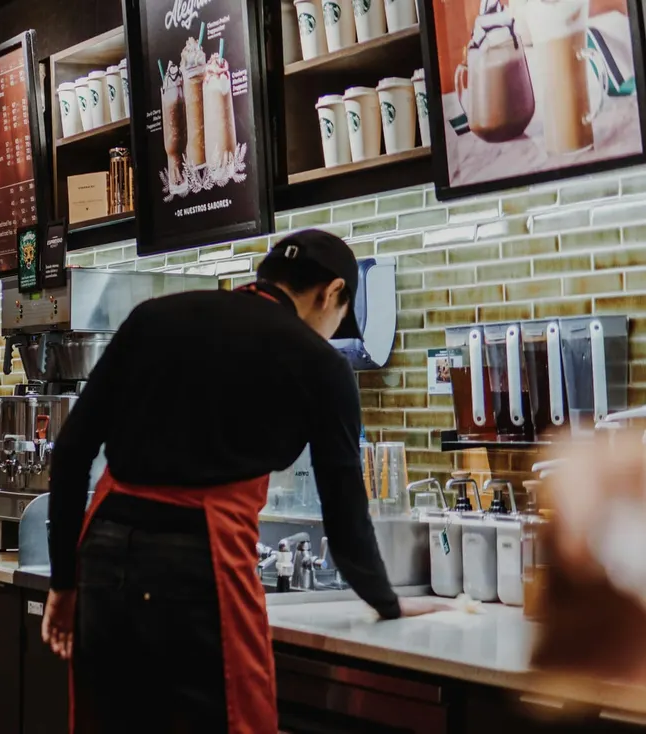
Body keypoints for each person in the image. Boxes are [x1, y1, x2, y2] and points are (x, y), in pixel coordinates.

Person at [41, 229, 451, 733]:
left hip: (102, 554)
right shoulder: (320, 364)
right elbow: (344, 519)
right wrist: (387, 603)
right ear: (332, 293)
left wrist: (64, 583)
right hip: (198, 560)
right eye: (340, 316)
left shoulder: (155, 317)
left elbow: (71, 451)